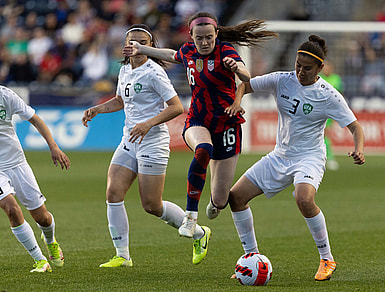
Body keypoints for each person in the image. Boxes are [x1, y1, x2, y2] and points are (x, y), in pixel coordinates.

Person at [123, 12, 278, 238]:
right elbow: (172, 54)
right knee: (203, 149)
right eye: (199, 38)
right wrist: (143, 49)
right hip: (198, 119)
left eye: (209, 37)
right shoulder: (188, 51)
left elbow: (246, 76)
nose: (204, 42)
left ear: (216, 34)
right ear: (191, 36)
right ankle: (190, 217)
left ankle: (215, 202)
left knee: (221, 199)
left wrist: (236, 68)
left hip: (226, 124)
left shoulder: (226, 51)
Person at [228, 35, 365, 281]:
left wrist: (359, 148)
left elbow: (355, 126)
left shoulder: (328, 95)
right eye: (298, 65)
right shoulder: (283, 79)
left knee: (303, 198)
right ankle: (251, 257)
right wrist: (237, 102)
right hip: (279, 155)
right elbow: (244, 85)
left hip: (309, 157)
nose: (301, 71)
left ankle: (327, 259)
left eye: (307, 68)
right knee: (236, 197)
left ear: (320, 68)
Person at [82, 24, 211, 267]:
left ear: (151, 46)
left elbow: (176, 107)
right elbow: (121, 99)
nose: (137, 46)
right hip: (130, 140)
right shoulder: (124, 70)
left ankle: (200, 233)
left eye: (142, 42)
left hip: (153, 142)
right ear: (126, 46)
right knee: (113, 192)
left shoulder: (154, 72)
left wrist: (148, 124)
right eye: (132, 41)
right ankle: (123, 256)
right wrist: (97, 109)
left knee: (151, 205)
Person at [0, 86, 70, 272]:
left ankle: (50, 241)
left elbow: (35, 119)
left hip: (17, 163)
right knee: (12, 210)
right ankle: (40, 260)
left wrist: (54, 147)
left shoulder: (5, 95)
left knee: (43, 218)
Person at [320, 60, 343, 171]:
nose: (326, 69)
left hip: (330, 110)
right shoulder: (318, 78)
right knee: (322, 135)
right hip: (319, 110)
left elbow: (340, 95)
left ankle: (328, 158)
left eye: (327, 67)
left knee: (325, 134)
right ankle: (327, 158)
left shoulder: (336, 79)